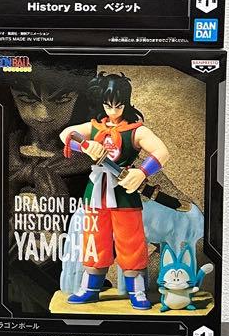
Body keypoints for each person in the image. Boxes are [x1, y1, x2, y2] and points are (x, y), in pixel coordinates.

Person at [60, 72, 170, 310]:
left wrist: (142, 172)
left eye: (118, 105)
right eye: (107, 105)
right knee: (94, 240)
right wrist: (86, 146)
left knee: (131, 241)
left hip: (124, 192)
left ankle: (137, 291)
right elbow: (65, 135)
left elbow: (162, 151)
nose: (112, 111)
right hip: (95, 193)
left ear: (126, 103)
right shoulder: (94, 127)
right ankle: (89, 289)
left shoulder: (136, 131)